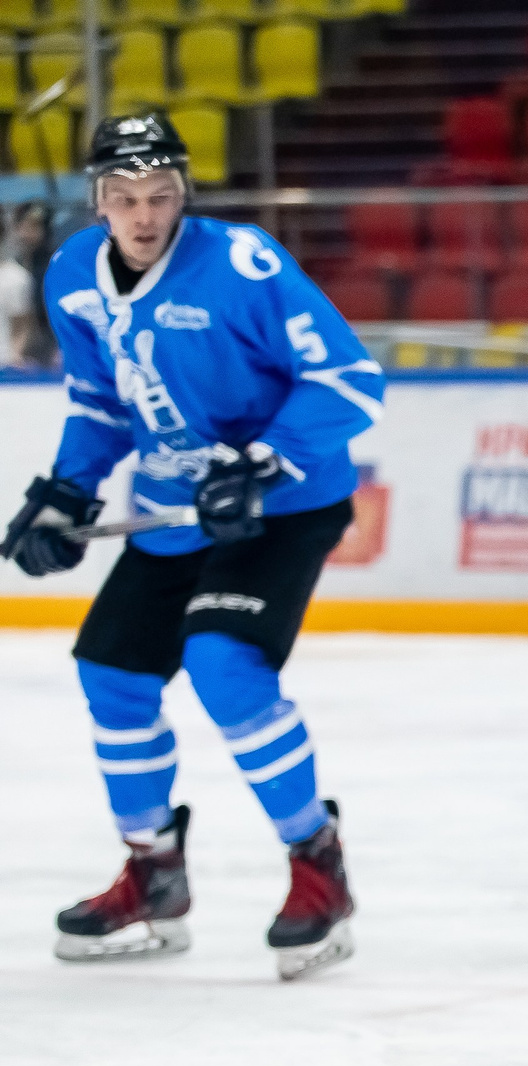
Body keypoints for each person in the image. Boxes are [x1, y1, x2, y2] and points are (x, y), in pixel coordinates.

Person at [2, 113, 382, 979]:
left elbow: (350, 378)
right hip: (175, 512)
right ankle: (154, 874)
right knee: (112, 672)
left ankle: (317, 867)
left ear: (184, 194)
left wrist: (266, 459)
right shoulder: (71, 277)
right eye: (126, 198)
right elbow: (102, 402)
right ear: (99, 201)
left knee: (223, 664)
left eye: (161, 196)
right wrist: (67, 490)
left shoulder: (241, 263)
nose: (145, 215)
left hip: (281, 507)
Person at [0, 200, 57, 369]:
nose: (27, 233)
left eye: (35, 226)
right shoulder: (17, 266)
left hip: (42, 349)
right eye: (23, 226)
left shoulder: (53, 267)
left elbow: (25, 323)